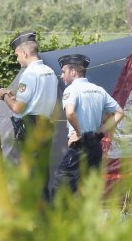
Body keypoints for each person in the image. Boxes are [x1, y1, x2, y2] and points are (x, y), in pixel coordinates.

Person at [49, 53, 124, 199]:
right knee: (89, 189)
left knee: (60, 187)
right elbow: (119, 113)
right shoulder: (99, 90)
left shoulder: (71, 89)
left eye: (63, 72)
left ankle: (54, 221)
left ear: (73, 72)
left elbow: (70, 113)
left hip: (79, 145)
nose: (61, 76)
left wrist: (79, 132)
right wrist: (101, 132)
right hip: (95, 145)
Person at [0, 32, 58, 151]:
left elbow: (18, 108)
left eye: (17, 55)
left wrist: (4, 96)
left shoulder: (28, 74)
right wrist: (15, 98)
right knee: (42, 168)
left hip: (31, 129)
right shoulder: (50, 71)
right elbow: (38, 100)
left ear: (25, 53)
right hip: (46, 126)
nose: (17, 59)